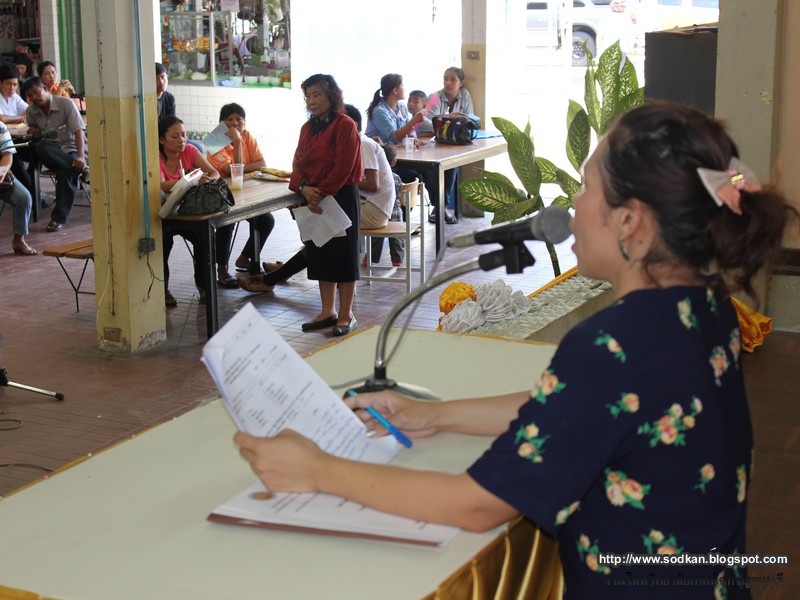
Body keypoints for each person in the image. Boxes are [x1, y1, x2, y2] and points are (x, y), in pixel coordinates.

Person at [234, 102, 796, 598]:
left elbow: (476, 504)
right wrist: (435, 415)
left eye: (586, 189)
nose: (573, 206)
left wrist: (318, 470)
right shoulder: (707, 308)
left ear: (631, 222)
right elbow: (580, 406)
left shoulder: (611, 346)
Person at [289, 73, 361, 337]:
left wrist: (320, 193)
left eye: (317, 94)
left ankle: (346, 314)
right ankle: (327, 311)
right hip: (313, 196)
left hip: (339, 196)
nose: (312, 101)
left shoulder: (345, 125)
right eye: (308, 96)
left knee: (344, 257)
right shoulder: (307, 128)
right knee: (321, 253)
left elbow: (344, 166)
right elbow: (297, 163)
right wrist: (303, 188)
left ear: (331, 95)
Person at [206, 103, 275, 282]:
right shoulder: (214, 140)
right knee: (227, 222)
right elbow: (233, 172)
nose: (235, 123)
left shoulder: (247, 136)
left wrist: (241, 167)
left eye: (239, 119)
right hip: (222, 195)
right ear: (221, 123)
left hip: (246, 192)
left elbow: (262, 164)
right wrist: (236, 143)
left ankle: (244, 259)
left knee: (266, 220)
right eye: (229, 119)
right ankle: (222, 270)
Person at [158, 115, 221, 307]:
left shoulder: (190, 151)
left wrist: (207, 180)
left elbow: (215, 172)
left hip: (186, 211)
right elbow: (160, 184)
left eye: (184, 135)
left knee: (203, 237)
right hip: (162, 215)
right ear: (161, 139)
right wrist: (191, 181)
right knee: (163, 243)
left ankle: (204, 286)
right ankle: (162, 290)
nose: (182, 140)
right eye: (175, 136)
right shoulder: (155, 157)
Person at [22, 77, 88, 232]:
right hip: (50, 152)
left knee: (66, 173)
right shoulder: (31, 111)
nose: (34, 97)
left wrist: (80, 157)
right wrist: (33, 130)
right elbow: (34, 130)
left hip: (70, 149)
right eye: (30, 95)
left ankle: (58, 220)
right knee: (41, 146)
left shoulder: (65, 104)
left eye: (36, 92)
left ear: (45, 89)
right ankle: (83, 172)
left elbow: (78, 131)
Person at [346, 104, 404, 267]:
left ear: (352, 125)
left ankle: (341, 271)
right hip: (369, 205)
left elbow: (373, 185)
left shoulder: (363, 144)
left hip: (375, 211)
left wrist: (344, 181)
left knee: (327, 219)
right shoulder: (355, 144)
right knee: (323, 215)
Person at [426, 66, 479, 225]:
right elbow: (429, 122)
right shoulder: (434, 97)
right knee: (433, 169)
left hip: (455, 143)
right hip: (434, 142)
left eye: (453, 79)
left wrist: (447, 120)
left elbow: (470, 119)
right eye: (445, 79)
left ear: (461, 83)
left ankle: (439, 207)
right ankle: (442, 207)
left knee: (452, 165)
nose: (448, 83)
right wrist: (453, 118)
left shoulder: (465, 95)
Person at [0, 120, 36, 256]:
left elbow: (7, 155)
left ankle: (18, 240)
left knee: (24, 197)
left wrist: (2, 172)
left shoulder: (1, 127)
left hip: (1, 176)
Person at [364, 73, 425, 145]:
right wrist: (413, 122)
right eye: (402, 85)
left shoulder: (402, 107)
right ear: (395, 90)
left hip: (395, 149)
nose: (404, 88)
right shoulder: (379, 111)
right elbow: (393, 138)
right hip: (377, 150)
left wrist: (413, 137)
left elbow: (409, 128)